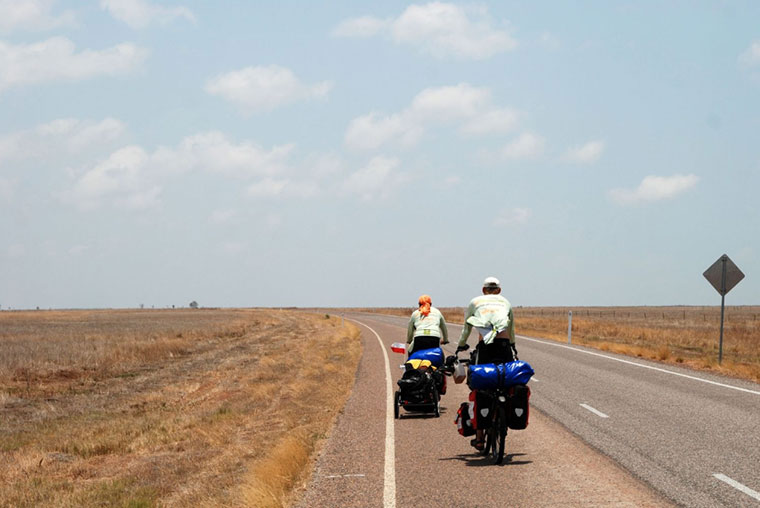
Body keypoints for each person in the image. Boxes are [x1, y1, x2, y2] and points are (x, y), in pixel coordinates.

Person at [456, 276, 516, 450]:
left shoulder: (475, 302)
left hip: (486, 348)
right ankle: (505, 413)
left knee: (479, 386)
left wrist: (461, 346)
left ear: (483, 290)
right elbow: (511, 329)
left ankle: (480, 437)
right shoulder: (506, 302)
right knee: (506, 380)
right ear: (499, 290)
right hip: (504, 347)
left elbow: (466, 328)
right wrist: (512, 346)